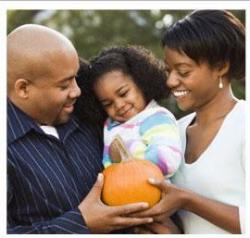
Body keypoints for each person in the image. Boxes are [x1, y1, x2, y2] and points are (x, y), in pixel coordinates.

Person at [7, 24, 154, 234]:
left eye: (75, 77)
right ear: (23, 88)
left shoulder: (91, 115)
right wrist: (80, 223)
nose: (77, 91)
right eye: (64, 85)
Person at [132, 10, 245, 234]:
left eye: (183, 71)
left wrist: (187, 200)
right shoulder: (173, 131)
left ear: (221, 66)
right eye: (169, 69)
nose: (171, 80)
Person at [76, 46, 182, 179]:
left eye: (123, 93)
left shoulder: (156, 118)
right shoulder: (110, 125)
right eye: (108, 104)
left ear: (141, 81)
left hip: (153, 193)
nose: (119, 105)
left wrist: (129, 169)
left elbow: (167, 159)